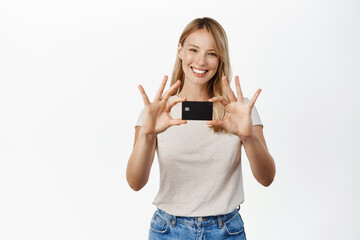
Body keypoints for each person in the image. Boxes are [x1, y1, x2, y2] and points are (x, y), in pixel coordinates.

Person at [126, 17, 276, 240]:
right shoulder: (157, 112)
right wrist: (148, 134)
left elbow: (267, 178)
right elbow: (135, 182)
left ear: (220, 58)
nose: (201, 61)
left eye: (212, 53)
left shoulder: (239, 110)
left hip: (226, 230)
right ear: (180, 50)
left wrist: (248, 136)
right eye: (193, 50)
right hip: (168, 230)